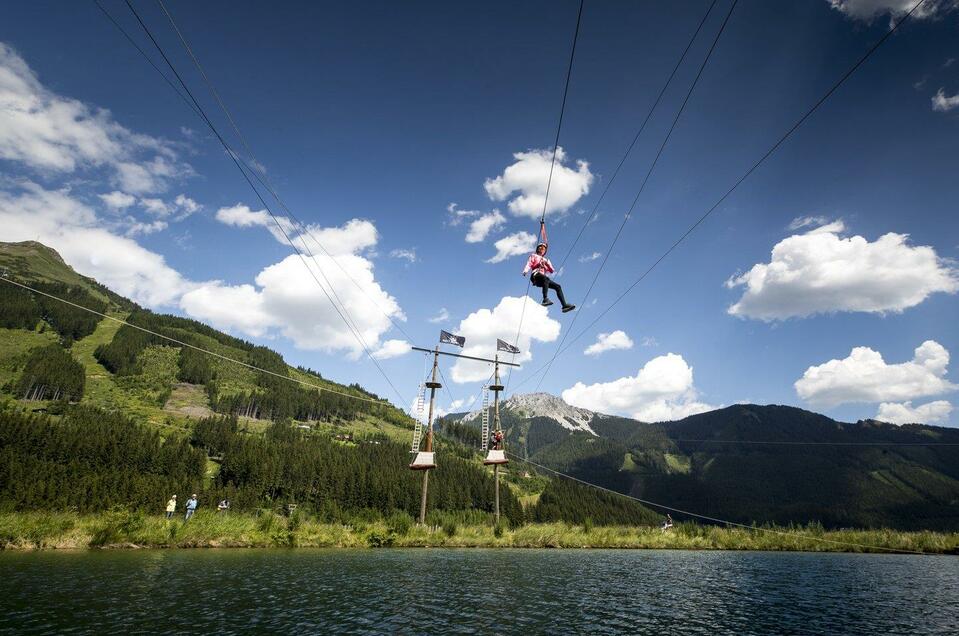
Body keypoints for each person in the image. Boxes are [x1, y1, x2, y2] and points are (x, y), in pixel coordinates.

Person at [523, 242, 575, 313]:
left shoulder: (546, 260)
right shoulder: (533, 256)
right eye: (540, 248)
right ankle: (545, 299)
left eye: (543, 248)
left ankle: (564, 306)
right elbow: (529, 264)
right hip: (535, 275)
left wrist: (547, 264)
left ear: (545, 251)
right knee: (546, 278)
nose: (542, 249)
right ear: (537, 249)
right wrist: (525, 271)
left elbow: (552, 270)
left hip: (543, 279)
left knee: (558, 286)